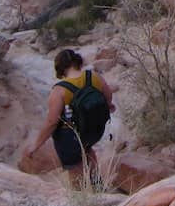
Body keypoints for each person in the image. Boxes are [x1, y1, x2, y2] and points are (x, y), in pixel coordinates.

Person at [23, 49, 115, 185]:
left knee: (74, 170)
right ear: (78, 62)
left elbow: (52, 122)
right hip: (95, 130)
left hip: (71, 138)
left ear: (60, 68)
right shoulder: (94, 77)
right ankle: (97, 184)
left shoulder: (60, 90)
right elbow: (108, 97)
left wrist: (35, 145)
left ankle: (81, 197)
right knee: (88, 150)